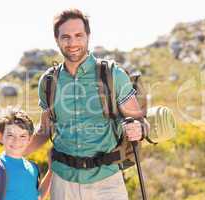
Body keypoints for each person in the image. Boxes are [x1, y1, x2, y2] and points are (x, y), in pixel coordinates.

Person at [26, 8, 150, 200]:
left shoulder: (112, 75)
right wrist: (10, 155)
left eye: (78, 35)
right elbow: (45, 130)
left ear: (88, 36)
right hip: (63, 182)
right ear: (57, 40)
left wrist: (140, 128)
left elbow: (140, 121)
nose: (73, 42)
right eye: (65, 37)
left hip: (107, 182)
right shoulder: (49, 82)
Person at [0, 107, 52, 200]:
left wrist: (50, 172)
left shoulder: (33, 168)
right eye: (10, 135)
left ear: (30, 139)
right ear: (0, 137)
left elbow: (38, 197)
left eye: (22, 136)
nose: (17, 141)